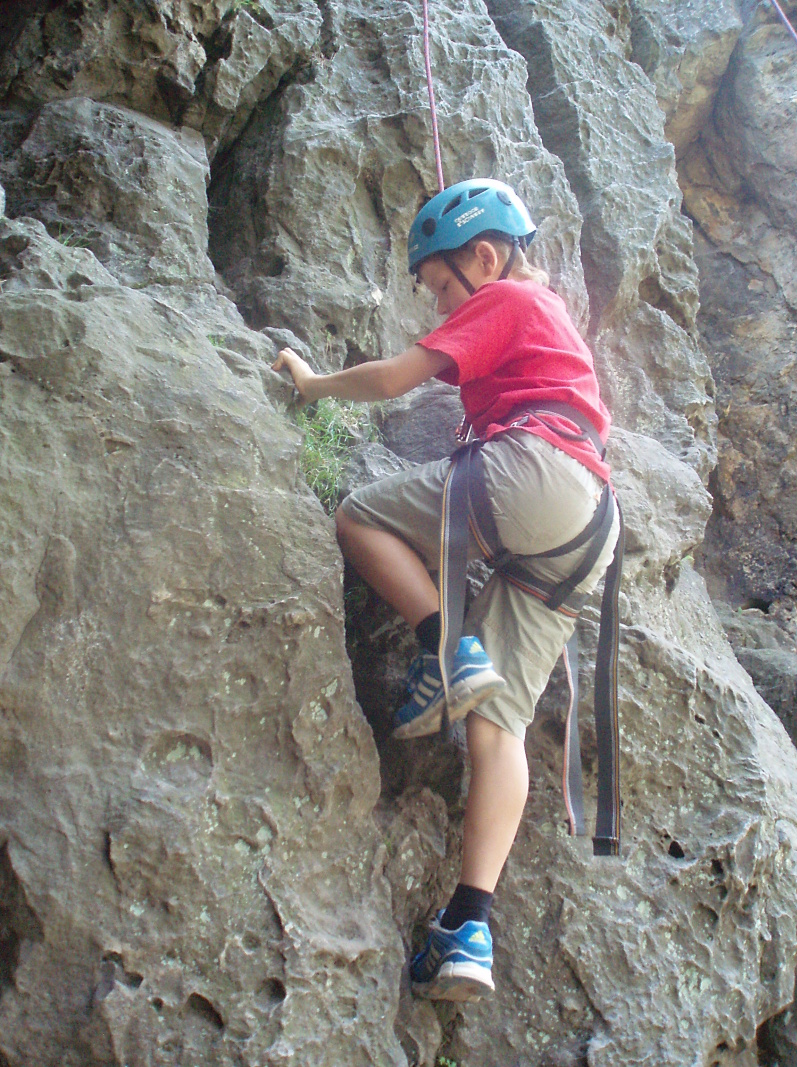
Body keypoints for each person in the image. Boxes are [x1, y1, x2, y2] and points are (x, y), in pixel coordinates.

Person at [273, 178, 619, 1003]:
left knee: (359, 516)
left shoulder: (504, 297)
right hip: (592, 526)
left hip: (538, 472)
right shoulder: (547, 313)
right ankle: (469, 925)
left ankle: (447, 646)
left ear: (485, 258)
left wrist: (313, 386)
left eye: (438, 286)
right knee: (498, 724)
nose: (436, 306)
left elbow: (396, 378)